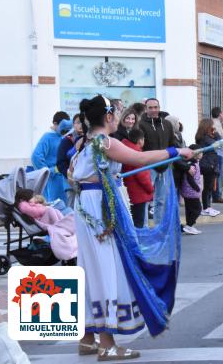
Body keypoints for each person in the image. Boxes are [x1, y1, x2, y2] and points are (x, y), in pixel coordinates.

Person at [71, 95, 194, 359]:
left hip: (87, 206)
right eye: (115, 113)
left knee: (89, 267)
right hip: (100, 208)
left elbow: (83, 174)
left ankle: (87, 337)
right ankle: (107, 343)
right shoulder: (105, 142)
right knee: (106, 266)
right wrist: (176, 151)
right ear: (107, 117)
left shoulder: (85, 143)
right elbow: (140, 159)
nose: (119, 117)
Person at [138, 98, 176, 225]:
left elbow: (172, 144)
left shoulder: (167, 124)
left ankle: (158, 227)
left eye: (156, 107)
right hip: (148, 167)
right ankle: (144, 228)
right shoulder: (140, 125)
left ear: (159, 108)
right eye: (150, 107)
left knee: (161, 200)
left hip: (165, 167)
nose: (153, 110)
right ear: (146, 109)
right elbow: (139, 147)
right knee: (145, 199)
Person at [31, 111, 71, 203]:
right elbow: (36, 156)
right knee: (53, 206)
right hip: (52, 179)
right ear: (55, 124)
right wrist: (48, 171)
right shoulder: (47, 137)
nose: (64, 130)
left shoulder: (63, 137)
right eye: (62, 126)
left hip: (62, 178)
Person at [121, 129, 154, 228]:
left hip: (128, 192)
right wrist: (151, 189)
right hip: (138, 194)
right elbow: (142, 175)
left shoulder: (125, 148)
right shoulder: (136, 154)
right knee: (138, 222)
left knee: (131, 220)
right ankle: (138, 242)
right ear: (140, 140)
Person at [195, 118, 220, 217]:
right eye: (212, 125)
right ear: (207, 126)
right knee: (208, 186)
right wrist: (217, 134)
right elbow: (216, 144)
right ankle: (206, 208)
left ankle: (208, 207)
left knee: (209, 187)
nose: (213, 127)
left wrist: (216, 133)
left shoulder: (205, 136)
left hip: (210, 163)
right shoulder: (204, 137)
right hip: (207, 164)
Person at [57, 114, 84, 208]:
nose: (81, 125)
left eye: (83, 122)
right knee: (72, 209)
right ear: (73, 124)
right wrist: (70, 175)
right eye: (78, 122)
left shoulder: (90, 139)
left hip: (86, 182)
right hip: (70, 183)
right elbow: (60, 163)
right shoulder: (67, 140)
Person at [180, 144, 203, 235]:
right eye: (200, 152)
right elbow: (190, 178)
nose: (202, 154)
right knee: (197, 209)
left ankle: (190, 226)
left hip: (189, 191)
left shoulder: (193, 163)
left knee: (189, 209)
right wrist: (197, 188)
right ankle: (189, 225)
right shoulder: (192, 164)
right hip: (191, 191)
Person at [211, 107, 223, 204]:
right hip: (218, 152)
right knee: (218, 174)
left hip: (217, 152)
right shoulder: (216, 124)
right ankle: (217, 195)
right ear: (219, 114)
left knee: (217, 174)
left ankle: (217, 194)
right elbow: (220, 139)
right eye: (222, 113)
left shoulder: (216, 123)